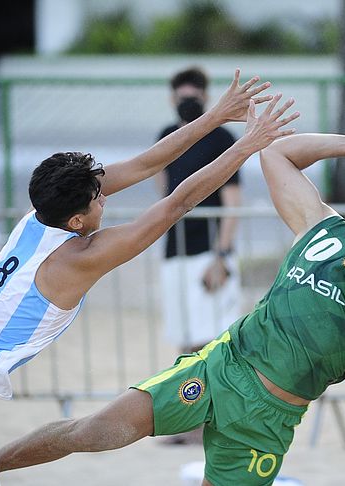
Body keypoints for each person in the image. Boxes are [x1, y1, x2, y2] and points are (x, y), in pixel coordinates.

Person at [0, 70, 297, 484]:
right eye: (98, 199)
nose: (104, 199)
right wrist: (247, 146)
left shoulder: (39, 212)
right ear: (76, 219)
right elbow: (176, 204)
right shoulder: (79, 257)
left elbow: (147, 163)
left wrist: (217, 116)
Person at [0, 131, 345, 486]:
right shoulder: (325, 227)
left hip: (269, 416)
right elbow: (278, 155)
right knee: (91, 433)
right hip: (220, 368)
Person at [155, 67, 243, 446]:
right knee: (184, 338)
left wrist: (222, 257)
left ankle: (209, 423)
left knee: (210, 341)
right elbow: (163, 197)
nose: (187, 101)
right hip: (175, 250)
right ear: (171, 97)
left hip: (208, 251)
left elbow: (232, 203)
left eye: (194, 95)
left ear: (207, 97)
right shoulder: (165, 138)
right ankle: (185, 420)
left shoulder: (223, 138)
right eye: (182, 95)